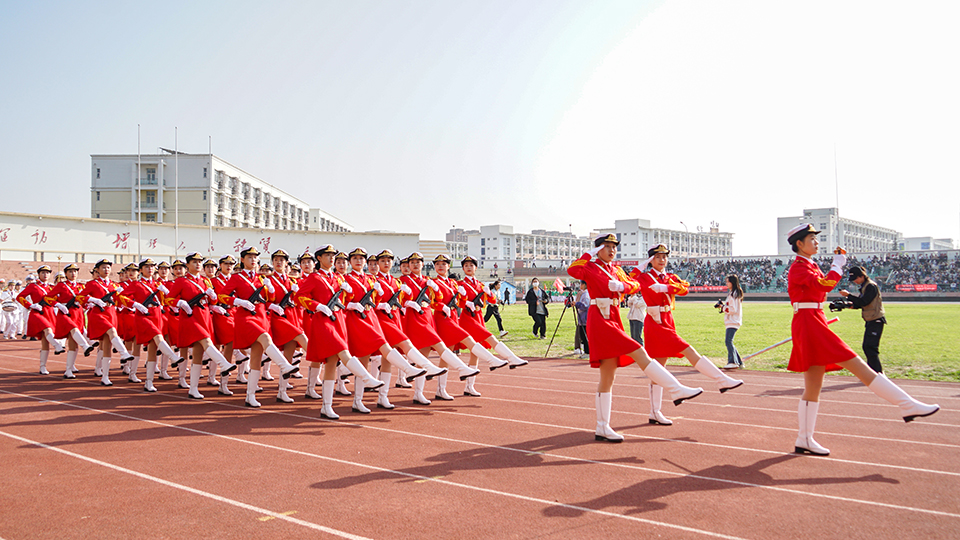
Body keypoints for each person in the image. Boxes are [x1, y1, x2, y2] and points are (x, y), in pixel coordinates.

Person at [785, 224, 938, 456]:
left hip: (813, 319)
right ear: (799, 243)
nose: (816, 242)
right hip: (809, 321)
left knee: (814, 385)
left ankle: (804, 439)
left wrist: (836, 265)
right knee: (856, 364)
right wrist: (837, 265)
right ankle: (906, 404)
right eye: (812, 239)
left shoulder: (808, 265)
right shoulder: (798, 267)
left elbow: (818, 290)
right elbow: (824, 285)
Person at [567, 234, 703, 442]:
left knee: (608, 375)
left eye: (614, 247)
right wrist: (589, 254)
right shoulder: (591, 267)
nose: (612, 250)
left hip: (613, 316)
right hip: (599, 318)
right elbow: (573, 270)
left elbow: (635, 285)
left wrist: (623, 287)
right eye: (607, 246)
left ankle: (602, 427)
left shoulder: (616, 269)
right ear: (598, 249)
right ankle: (675, 389)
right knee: (639, 350)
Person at [631, 244, 743, 427]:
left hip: (668, 319)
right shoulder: (645, 276)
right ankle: (721, 380)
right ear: (651, 259)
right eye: (657, 257)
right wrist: (641, 266)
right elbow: (631, 278)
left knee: (659, 368)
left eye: (664, 257)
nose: (662, 260)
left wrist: (665, 288)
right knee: (687, 350)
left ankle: (655, 412)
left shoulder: (669, 277)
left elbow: (684, 288)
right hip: (655, 322)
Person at [218, 247, 301, 408]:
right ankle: (284, 366)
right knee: (265, 338)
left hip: (261, 315)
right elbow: (222, 296)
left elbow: (269, 299)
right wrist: (239, 302)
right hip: (245, 316)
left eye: (255, 257)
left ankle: (250, 395)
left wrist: (269, 290)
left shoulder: (262, 278)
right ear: (242, 260)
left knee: (256, 357)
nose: (253, 260)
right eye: (249, 257)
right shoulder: (237, 278)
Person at [456, 255, 527, 396]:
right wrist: (466, 303)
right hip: (467, 318)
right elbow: (457, 302)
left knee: (474, 354)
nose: (469, 268)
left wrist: (490, 293)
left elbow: (492, 300)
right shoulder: (460, 284)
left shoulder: (481, 285)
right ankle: (511, 358)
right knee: (489, 337)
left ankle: (469, 387)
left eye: (471, 265)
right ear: (463, 268)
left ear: (476, 268)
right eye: (466, 266)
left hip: (478, 317)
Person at [47, 263, 97, 378]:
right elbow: (48, 297)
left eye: (75, 271)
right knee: (73, 329)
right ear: (66, 274)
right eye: (70, 271)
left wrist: (87, 304)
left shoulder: (80, 286)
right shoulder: (61, 285)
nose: (73, 274)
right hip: (66, 312)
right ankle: (85, 346)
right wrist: (58, 305)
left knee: (73, 344)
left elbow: (83, 298)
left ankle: (69, 369)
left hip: (78, 313)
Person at [17, 267, 65, 374]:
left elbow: (59, 299)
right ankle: (57, 346)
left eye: (47, 273)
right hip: (38, 312)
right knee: (47, 329)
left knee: (45, 341)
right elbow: (20, 297)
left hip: (49, 312)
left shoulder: (52, 287)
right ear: (39, 274)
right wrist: (30, 305)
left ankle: (42, 366)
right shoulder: (33, 286)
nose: (45, 275)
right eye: (43, 273)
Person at [839, 266, 886, 373]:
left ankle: (877, 373)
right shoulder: (865, 286)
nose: (855, 281)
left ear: (862, 276)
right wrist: (849, 305)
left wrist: (849, 296)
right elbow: (861, 303)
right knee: (868, 347)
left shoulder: (870, 286)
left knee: (870, 347)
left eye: (856, 278)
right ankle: (874, 372)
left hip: (876, 320)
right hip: (871, 320)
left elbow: (864, 302)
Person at [722, 275, 744, 370]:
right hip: (733, 320)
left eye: (728, 282)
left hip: (733, 320)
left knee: (728, 341)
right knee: (729, 341)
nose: (726, 284)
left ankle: (733, 361)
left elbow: (733, 309)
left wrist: (722, 308)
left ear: (732, 282)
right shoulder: (733, 293)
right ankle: (739, 362)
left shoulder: (733, 294)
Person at [574, 281, 590, 357]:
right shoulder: (583, 293)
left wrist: (576, 304)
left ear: (584, 285)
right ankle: (585, 351)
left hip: (584, 318)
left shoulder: (586, 294)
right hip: (582, 318)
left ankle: (587, 352)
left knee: (584, 335)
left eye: (581, 284)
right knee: (582, 335)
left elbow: (585, 305)